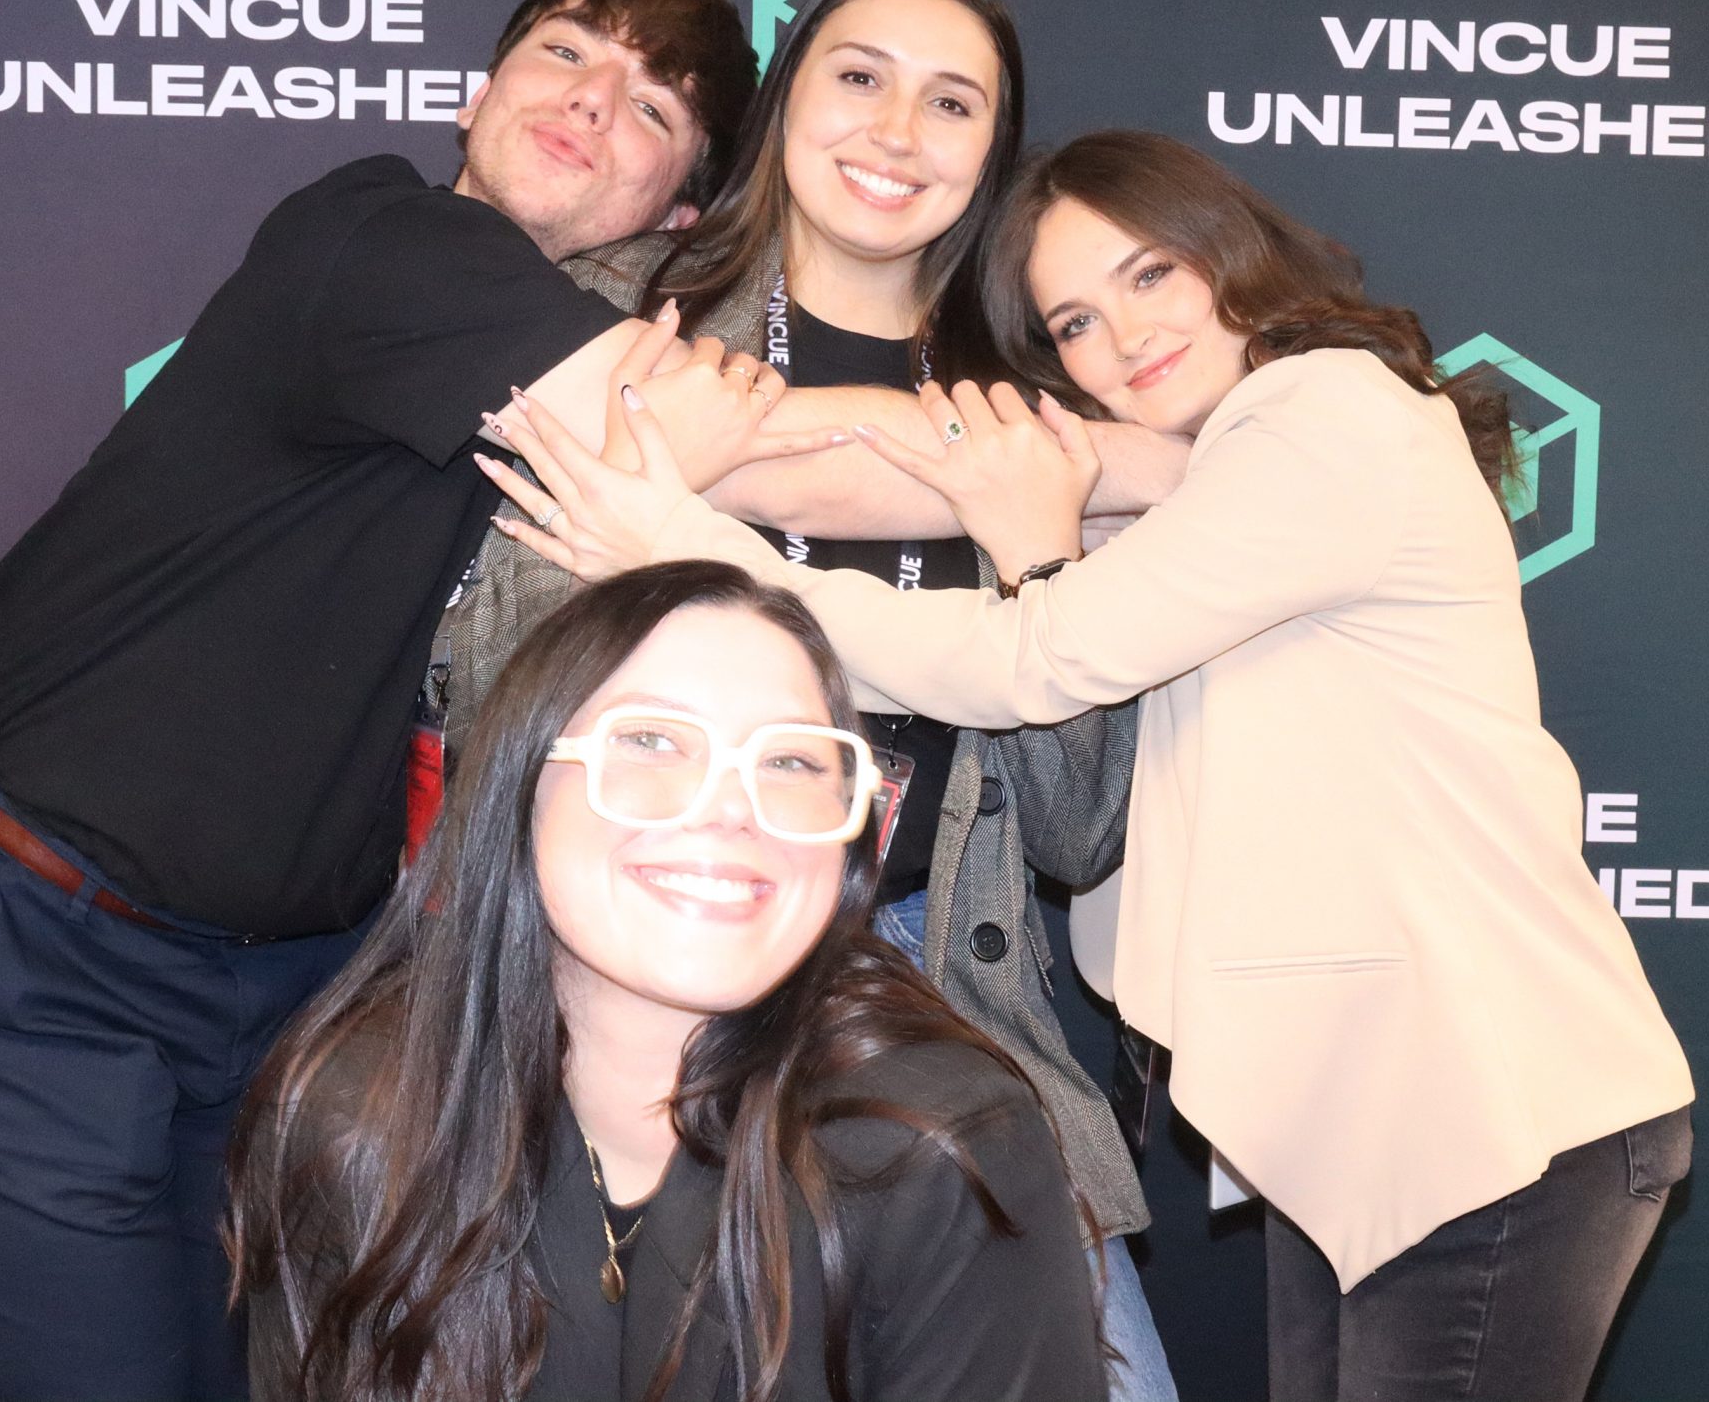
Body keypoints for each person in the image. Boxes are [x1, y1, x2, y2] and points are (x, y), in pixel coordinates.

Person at [486, 130, 1699, 1402]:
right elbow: (902, 472)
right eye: (1072, 321)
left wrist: (686, 544)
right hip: (1374, 1106)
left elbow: (1033, 657)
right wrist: (677, 457)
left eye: (1150, 273)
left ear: (1232, 253)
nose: (1121, 337)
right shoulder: (1214, 469)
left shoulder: (1328, 412)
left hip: (1484, 1098)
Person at [0, 0, 820, 1402]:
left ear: (677, 207)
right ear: (477, 93)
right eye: (567, 52)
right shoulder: (384, 236)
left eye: (653, 105)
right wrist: (1124, 471)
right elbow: (724, 442)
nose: (591, 100)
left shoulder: (562, 357)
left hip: (296, 993)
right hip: (29, 957)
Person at [449, 0, 1181, 1400]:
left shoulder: (1039, 405)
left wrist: (1039, 559)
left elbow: (1078, 832)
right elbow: (486, 696)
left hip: (926, 979)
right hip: (625, 955)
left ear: (992, 152)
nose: (897, 133)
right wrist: (663, 491)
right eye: (859, 78)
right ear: (786, 102)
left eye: (952, 102)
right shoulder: (615, 314)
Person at [231, 561, 1104, 1402]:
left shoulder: (938, 1151)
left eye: (791, 761)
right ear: (516, 786)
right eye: (649, 740)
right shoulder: (356, 1115)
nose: (729, 807)